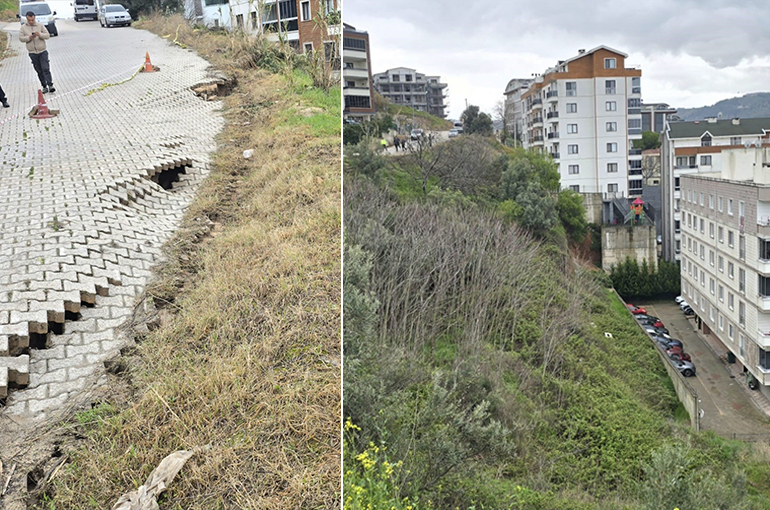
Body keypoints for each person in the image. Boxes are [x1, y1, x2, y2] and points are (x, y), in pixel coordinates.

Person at [19, 12, 55, 93]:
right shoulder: (23, 28)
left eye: (32, 20)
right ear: (27, 19)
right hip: (32, 53)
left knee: (45, 68)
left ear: (34, 18)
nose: (31, 21)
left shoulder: (40, 25)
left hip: (42, 51)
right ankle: (44, 86)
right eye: (29, 20)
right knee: (39, 70)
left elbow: (47, 35)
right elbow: (21, 38)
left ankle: (50, 85)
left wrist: (40, 35)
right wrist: (29, 37)